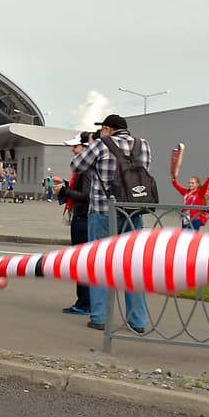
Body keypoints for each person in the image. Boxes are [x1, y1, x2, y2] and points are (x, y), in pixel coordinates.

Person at [70, 113, 150, 334]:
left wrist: (92, 144)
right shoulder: (142, 145)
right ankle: (138, 320)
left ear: (108, 129)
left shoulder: (101, 144)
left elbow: (76, 165)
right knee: (132, 266)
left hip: (103, 212)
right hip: (133, 212)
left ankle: (100, 318)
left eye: (103, 129)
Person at [53, 132, 93, 315]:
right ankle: (86, 302)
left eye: (76, 147)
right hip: (83, 216)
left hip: (83, 217)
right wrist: (66, 184)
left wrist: (64, 191)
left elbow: (86, 195)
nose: (73, 151)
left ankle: (84, 303)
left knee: (82, 262)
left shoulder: (86, 169)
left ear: (85, 149)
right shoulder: (86, 168)